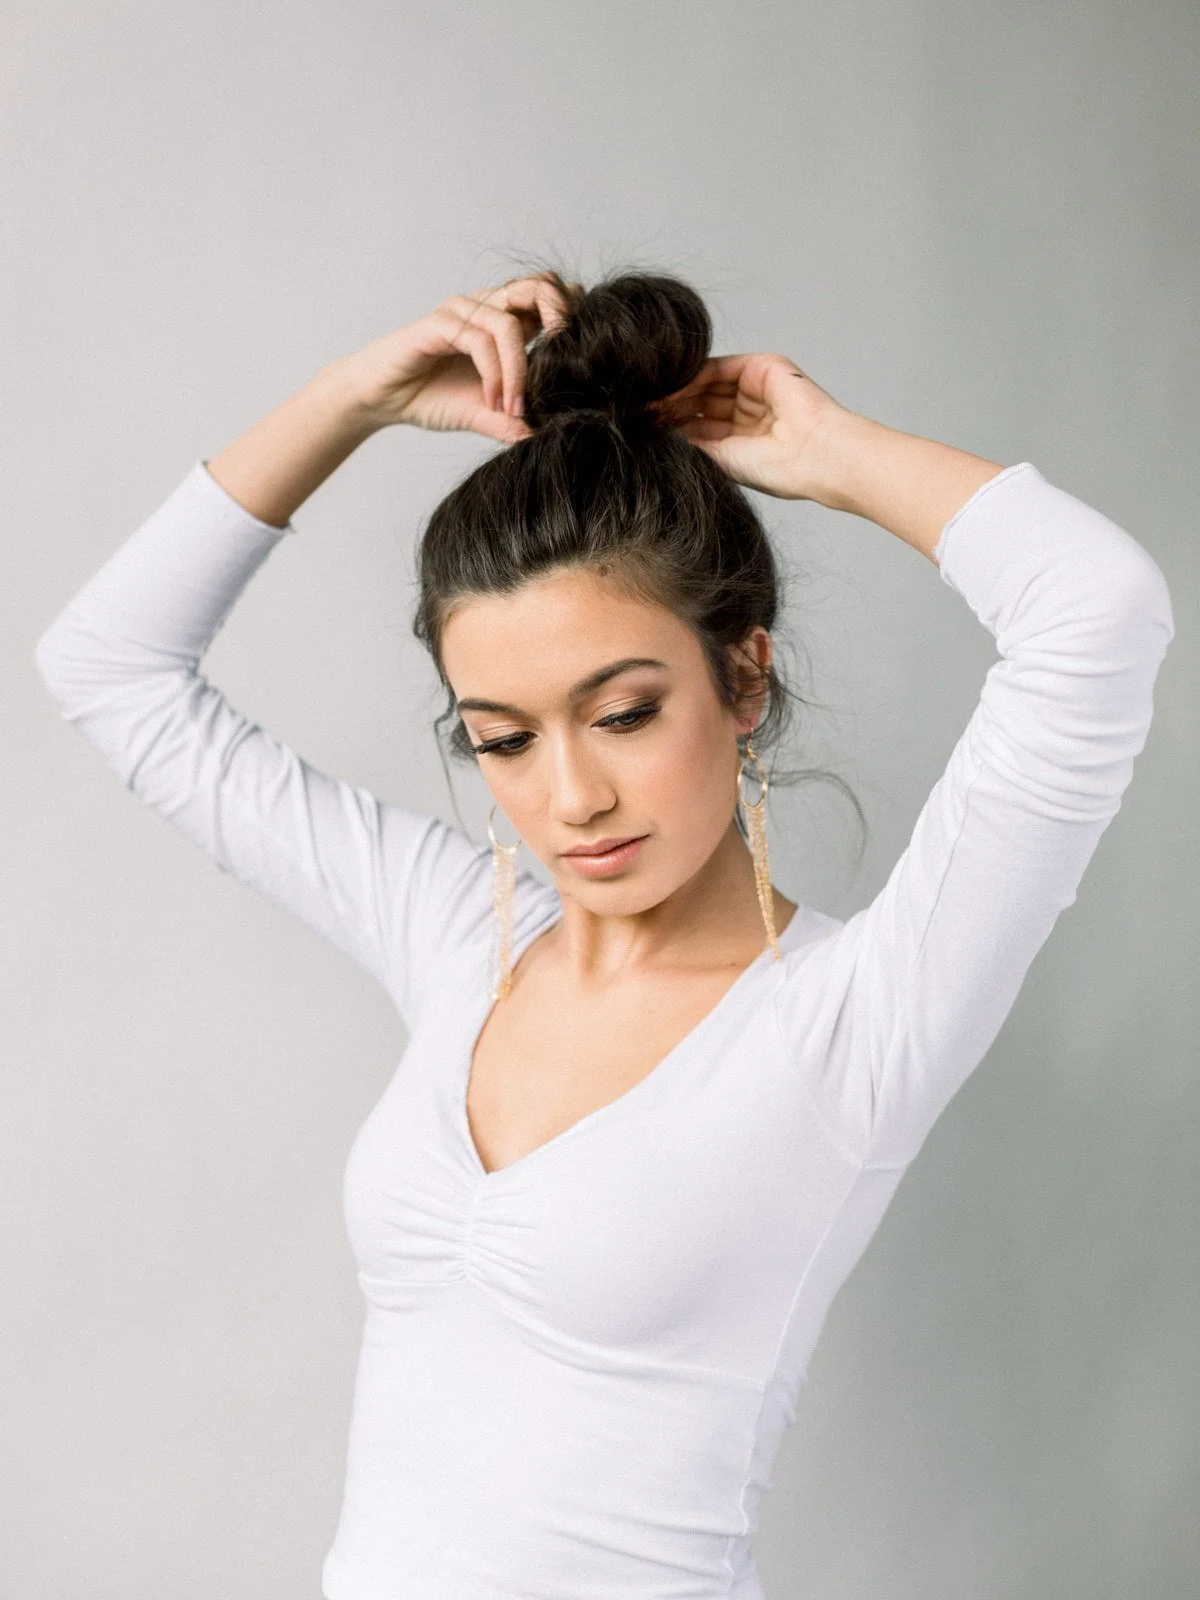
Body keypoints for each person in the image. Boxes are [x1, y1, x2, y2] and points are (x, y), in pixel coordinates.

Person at [34, 268, 1175, 1599]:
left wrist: (831, 455)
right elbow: (105, 665)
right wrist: (355, 401)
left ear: (743, 675)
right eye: (502, 740)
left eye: (623, 712)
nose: (568, 796)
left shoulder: (857, 1020)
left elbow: (1095, 612)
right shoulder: (460, 933)